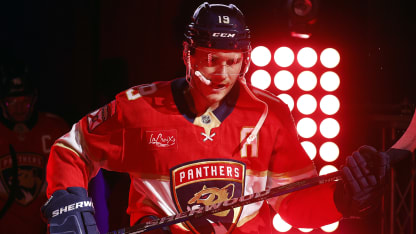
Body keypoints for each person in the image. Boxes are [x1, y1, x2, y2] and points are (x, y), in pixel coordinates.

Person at [41, 2, 389, 234]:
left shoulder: (271, 115)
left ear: (245, 60)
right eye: (210, 58)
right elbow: (71, 148)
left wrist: (343, 199)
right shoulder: (139, 108)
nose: (221, 73)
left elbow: (293, 205)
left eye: (232, 60)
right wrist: (69, 203)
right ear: (187, 55)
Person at [0, 59, 70, 234]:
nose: (19, 109)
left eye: (25, 101)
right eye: (12, 102)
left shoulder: (55, 129)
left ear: (35, 97)